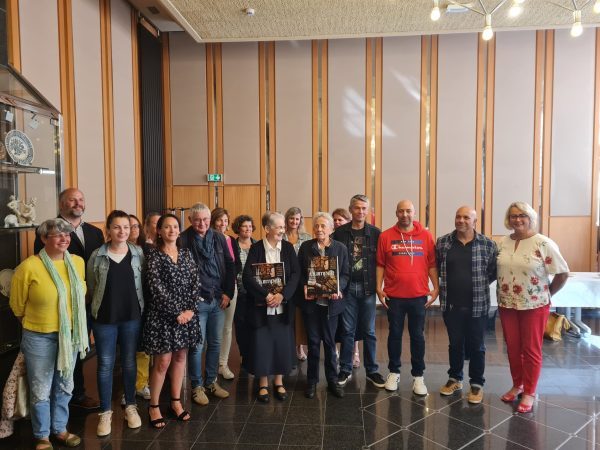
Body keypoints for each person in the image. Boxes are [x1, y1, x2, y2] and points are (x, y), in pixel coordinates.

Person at [11, 218, 89, 450]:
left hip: (71, 336)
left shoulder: (77, 262)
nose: (65, 239)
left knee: (65, 385)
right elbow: (17, 306)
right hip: (39, 337)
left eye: (67, 234)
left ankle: (60, 429)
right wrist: (41, 324)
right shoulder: (28, 267)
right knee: (41, 388)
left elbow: (82, 294)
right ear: (44, 238)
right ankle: (42, 435)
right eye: (58, 235)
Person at [34, 188, 104, 411]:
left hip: (91, 302)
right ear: (61, 203)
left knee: (81, 349)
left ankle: (75, 392)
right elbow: (43, 264)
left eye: (81, 199)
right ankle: (72, 395)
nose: (78, 203)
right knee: (66, 350)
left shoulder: (95, 232)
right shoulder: (48, 230)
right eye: (72, 200)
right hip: (63, 306)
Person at [497, 202, 569, 413]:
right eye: (513, 216)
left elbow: (562, 272)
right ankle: (517, 384)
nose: (517, 219)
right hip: (507, 303)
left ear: (530, 218)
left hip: (534, 306)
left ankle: (529, 391)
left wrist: (547, 294)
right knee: (513, 348)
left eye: (522, 215)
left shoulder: (543, 243)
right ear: (508, 219)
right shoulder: (503, 242)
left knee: (531, 349)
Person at [87, 210, 145, 436]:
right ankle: (105, 412)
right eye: (117, 227)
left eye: (126, 227)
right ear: (108, 230)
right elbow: (92, 287)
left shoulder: (138, 253)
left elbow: (143, 284)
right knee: (105, 364)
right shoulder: (97, 256)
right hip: (104, 319)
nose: (122, 231)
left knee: (129, 362)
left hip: (132, 317)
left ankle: (130, 406)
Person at [142, 214, 202, 427]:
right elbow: (155, 288)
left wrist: (190, 310)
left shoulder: (186, 253)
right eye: (167, 227)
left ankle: (175, 402)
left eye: (175, 227)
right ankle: (154, 406)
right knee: (163, 362)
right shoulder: (154, 255)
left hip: (187, 315)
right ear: (159, 231)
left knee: (180, 357)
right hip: (163, 316)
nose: (172, 230)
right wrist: (177, 312)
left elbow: (196, 282)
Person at [436, 206, 498, 404]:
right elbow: (437, 268)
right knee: (455, 344)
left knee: (477, 346)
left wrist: (478, 284)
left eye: (466, 217)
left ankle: (477, 383)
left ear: (474, 221)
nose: (461, 220)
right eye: (458, 217)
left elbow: (493, 272)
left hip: (478, 305)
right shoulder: (443, 242)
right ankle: (455, 378)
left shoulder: (488, 244)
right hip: (451, 305)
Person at [376, 199, 438, 395]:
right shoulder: (386, 236)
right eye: (401, 211)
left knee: (417, 336)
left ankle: (418, 376)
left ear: (414, 213)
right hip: (394, 296)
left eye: (408, 211)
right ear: (396, 213)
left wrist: (436, 287)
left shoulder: (426, 236)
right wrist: (378, 288)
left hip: (418, 296)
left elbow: (431, 264)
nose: (405, 215)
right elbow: (380, 264)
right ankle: (394, 372)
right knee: (394, 334)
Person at [242, 211, 300, 402]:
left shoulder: (288, 248)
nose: (283, 230)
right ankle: (263, 383)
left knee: (281, 343)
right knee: (263, 344)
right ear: (267, 229)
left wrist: (282, 295)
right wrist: (266, 295)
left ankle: (279, 382)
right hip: (262, 305)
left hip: (283, 305)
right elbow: (247, 277)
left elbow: (295, 275)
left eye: (284, 227)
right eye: (279, 227)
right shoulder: (256, 248)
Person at [181, 203, 235, 406]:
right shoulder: (183, 239)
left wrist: (228, 293)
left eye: (205, 219)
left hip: (217, 299)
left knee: (215, 343)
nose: (202, 223)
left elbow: (230, 265)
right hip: (197, 301)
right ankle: (197, 386)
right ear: (190, 220)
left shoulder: (219, 238)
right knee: (197, 345)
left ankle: (211, 381)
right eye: (197, 220)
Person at [332, 195, 386, 388]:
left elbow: (381, 263)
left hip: (368, 288)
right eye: (357, 208)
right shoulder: (339, 233)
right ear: (351, 209)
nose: (360, 211)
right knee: (347, 331)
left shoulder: (376, 233)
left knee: (369, 331)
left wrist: (381, 286)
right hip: (347, 288)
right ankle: (345, 369)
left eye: (364, 208)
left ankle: (372, 371)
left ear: (368, 210)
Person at [298, 212, 350, 399]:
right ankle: (312, 381)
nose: (319, 229)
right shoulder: (306, 247)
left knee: (329, 343)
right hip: (311, 304)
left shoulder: (340, 248)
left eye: (323, 226)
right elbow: (299, 272)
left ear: (331, 229)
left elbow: (345, 274)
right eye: (316, 226)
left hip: (331, 305)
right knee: (313, 343)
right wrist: (305, 286)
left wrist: (338, 287)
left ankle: (332, 381)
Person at [211, 207, 237, 380]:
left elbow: (236, 265)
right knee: (212, 330)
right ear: (214, 221)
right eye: (220, 220)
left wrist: (228, 291)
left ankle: (223, 364)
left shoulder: (231, 240)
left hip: (230, 288)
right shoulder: (208, 238)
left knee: (227, 328)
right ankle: (211, 367)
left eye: (226, 220)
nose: (223, 223)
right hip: (213, 290)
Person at [283, 206, 312, 361]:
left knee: (300, 316)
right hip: (285, 282)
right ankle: (288, 347)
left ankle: (300, 347)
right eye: (291, 218)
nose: (294, 221)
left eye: (297, 218)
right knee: (288, 315)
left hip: (302, 282)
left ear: (300, 220)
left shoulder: (307, 237)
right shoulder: (281, 235)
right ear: (286, 219)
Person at [128, 214, 151, 401]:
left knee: (143, 347)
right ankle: (128, 388)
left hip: (146, 304)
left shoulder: (148, 249)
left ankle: (141, 384)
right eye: (129, 226)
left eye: (136, 226)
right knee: (128, 349)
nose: (133, 229)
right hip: (126, 306)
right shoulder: (115, 250)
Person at [231, 214, 257, 371]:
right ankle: (243, 354)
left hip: (256, 292)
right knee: (240, 325)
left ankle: (254, 354)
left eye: (250, 226)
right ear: (238, 228)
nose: (248, 229)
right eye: (244, 226)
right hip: (239, 291)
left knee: (254, 323)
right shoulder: (232, 245)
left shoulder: (258, 245)